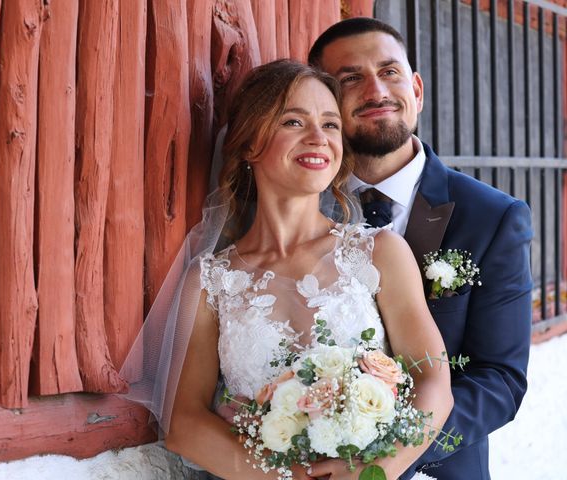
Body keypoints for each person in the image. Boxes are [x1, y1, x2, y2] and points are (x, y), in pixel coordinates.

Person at [122, 59, 453, 480]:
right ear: (248, 145)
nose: (319, 138)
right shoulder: (210, 281)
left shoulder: (380, 253)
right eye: (294, 122)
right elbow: (184, 424)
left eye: (331, 125)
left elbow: (433, 384)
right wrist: (286, 477)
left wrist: (374, 471)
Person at [307, 17, 533, 479]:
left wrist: (388, 454)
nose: (375, 91)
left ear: (417, 89)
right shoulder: (295, 207)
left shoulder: (492, 217)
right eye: (350, 78)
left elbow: (500, 380)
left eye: (389, 72)